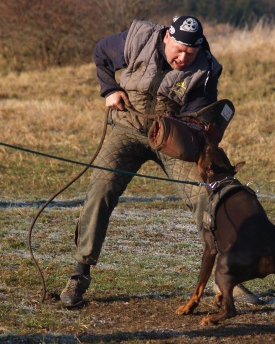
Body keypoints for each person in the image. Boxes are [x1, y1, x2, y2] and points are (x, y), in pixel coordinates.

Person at [60, 15, 259, 306]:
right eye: (178, 49)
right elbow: (101, 52)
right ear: (167, 36)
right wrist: (110, 89)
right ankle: (80, 273)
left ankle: (228, 276)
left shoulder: (206, 69)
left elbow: (197, 115)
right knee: (101, 190)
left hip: (171, 138)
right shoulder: (138, 38)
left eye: (190, 53)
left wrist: (195, 130)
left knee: (206, 195)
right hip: (126, 129)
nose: (183, 57)